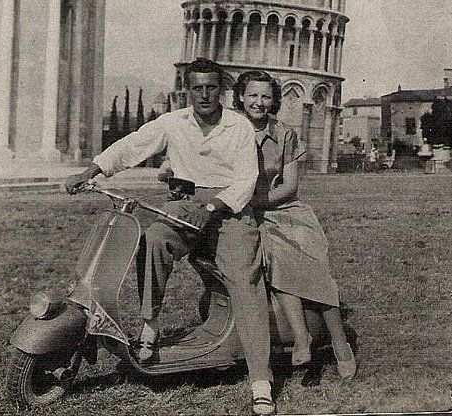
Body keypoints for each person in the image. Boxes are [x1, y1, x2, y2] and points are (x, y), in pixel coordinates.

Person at [65, 58, 276, 416]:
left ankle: (261, 380)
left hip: (230, 211)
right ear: (187, 90)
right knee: (155, 238)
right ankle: (150, 326)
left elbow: (245, 180)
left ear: (222, 91)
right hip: (185, 206)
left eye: (212, 87)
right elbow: (134, 144)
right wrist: (93, 170)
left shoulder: (238, 126)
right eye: (198, 88)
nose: (205, 95)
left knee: (244, 279)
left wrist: (211, 210)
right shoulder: (172, 122)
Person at [233, 69, 357, 380]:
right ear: (240, 97)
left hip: (284, 209)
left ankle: (339, 344)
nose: (259, 102)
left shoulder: (285, 133)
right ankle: (303, 339)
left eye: (266, 96)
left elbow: (289, 187)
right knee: (279, 255)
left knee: (313, 261)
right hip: (244, 215)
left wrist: (256, 203)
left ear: (274, 99)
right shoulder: (230, 133)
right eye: (253, 96)